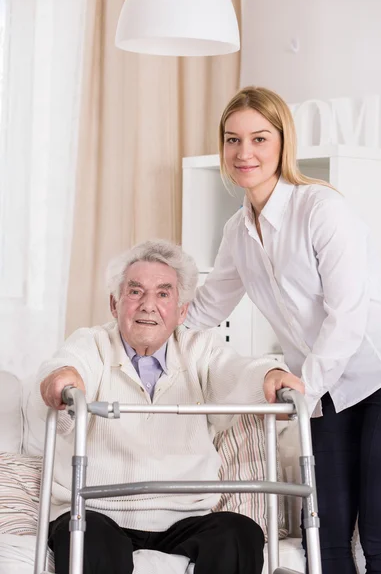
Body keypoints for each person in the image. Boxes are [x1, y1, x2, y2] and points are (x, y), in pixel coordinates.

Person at [185, 86, 381, 574]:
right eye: (232, 140)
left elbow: (349, 313)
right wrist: (139, 328)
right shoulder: (238, 233)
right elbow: (207, 305)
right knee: (321, 537)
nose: (245, 153)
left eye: (259, 139)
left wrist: (305, 392)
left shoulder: (320, 209)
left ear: (283, 143)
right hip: (323, 388)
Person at [33, 239, 303, 574]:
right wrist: (63, 378)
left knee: (239, 531)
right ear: (115, 304)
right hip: (98, 511)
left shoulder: (199, 348)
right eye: (135, 292)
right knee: (86, 534)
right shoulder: (93, 343)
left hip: (183, 517)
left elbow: (234, 372)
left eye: (163, 294)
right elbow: (65, 367)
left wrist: (269, 375)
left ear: (182, 311)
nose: (148, 305)